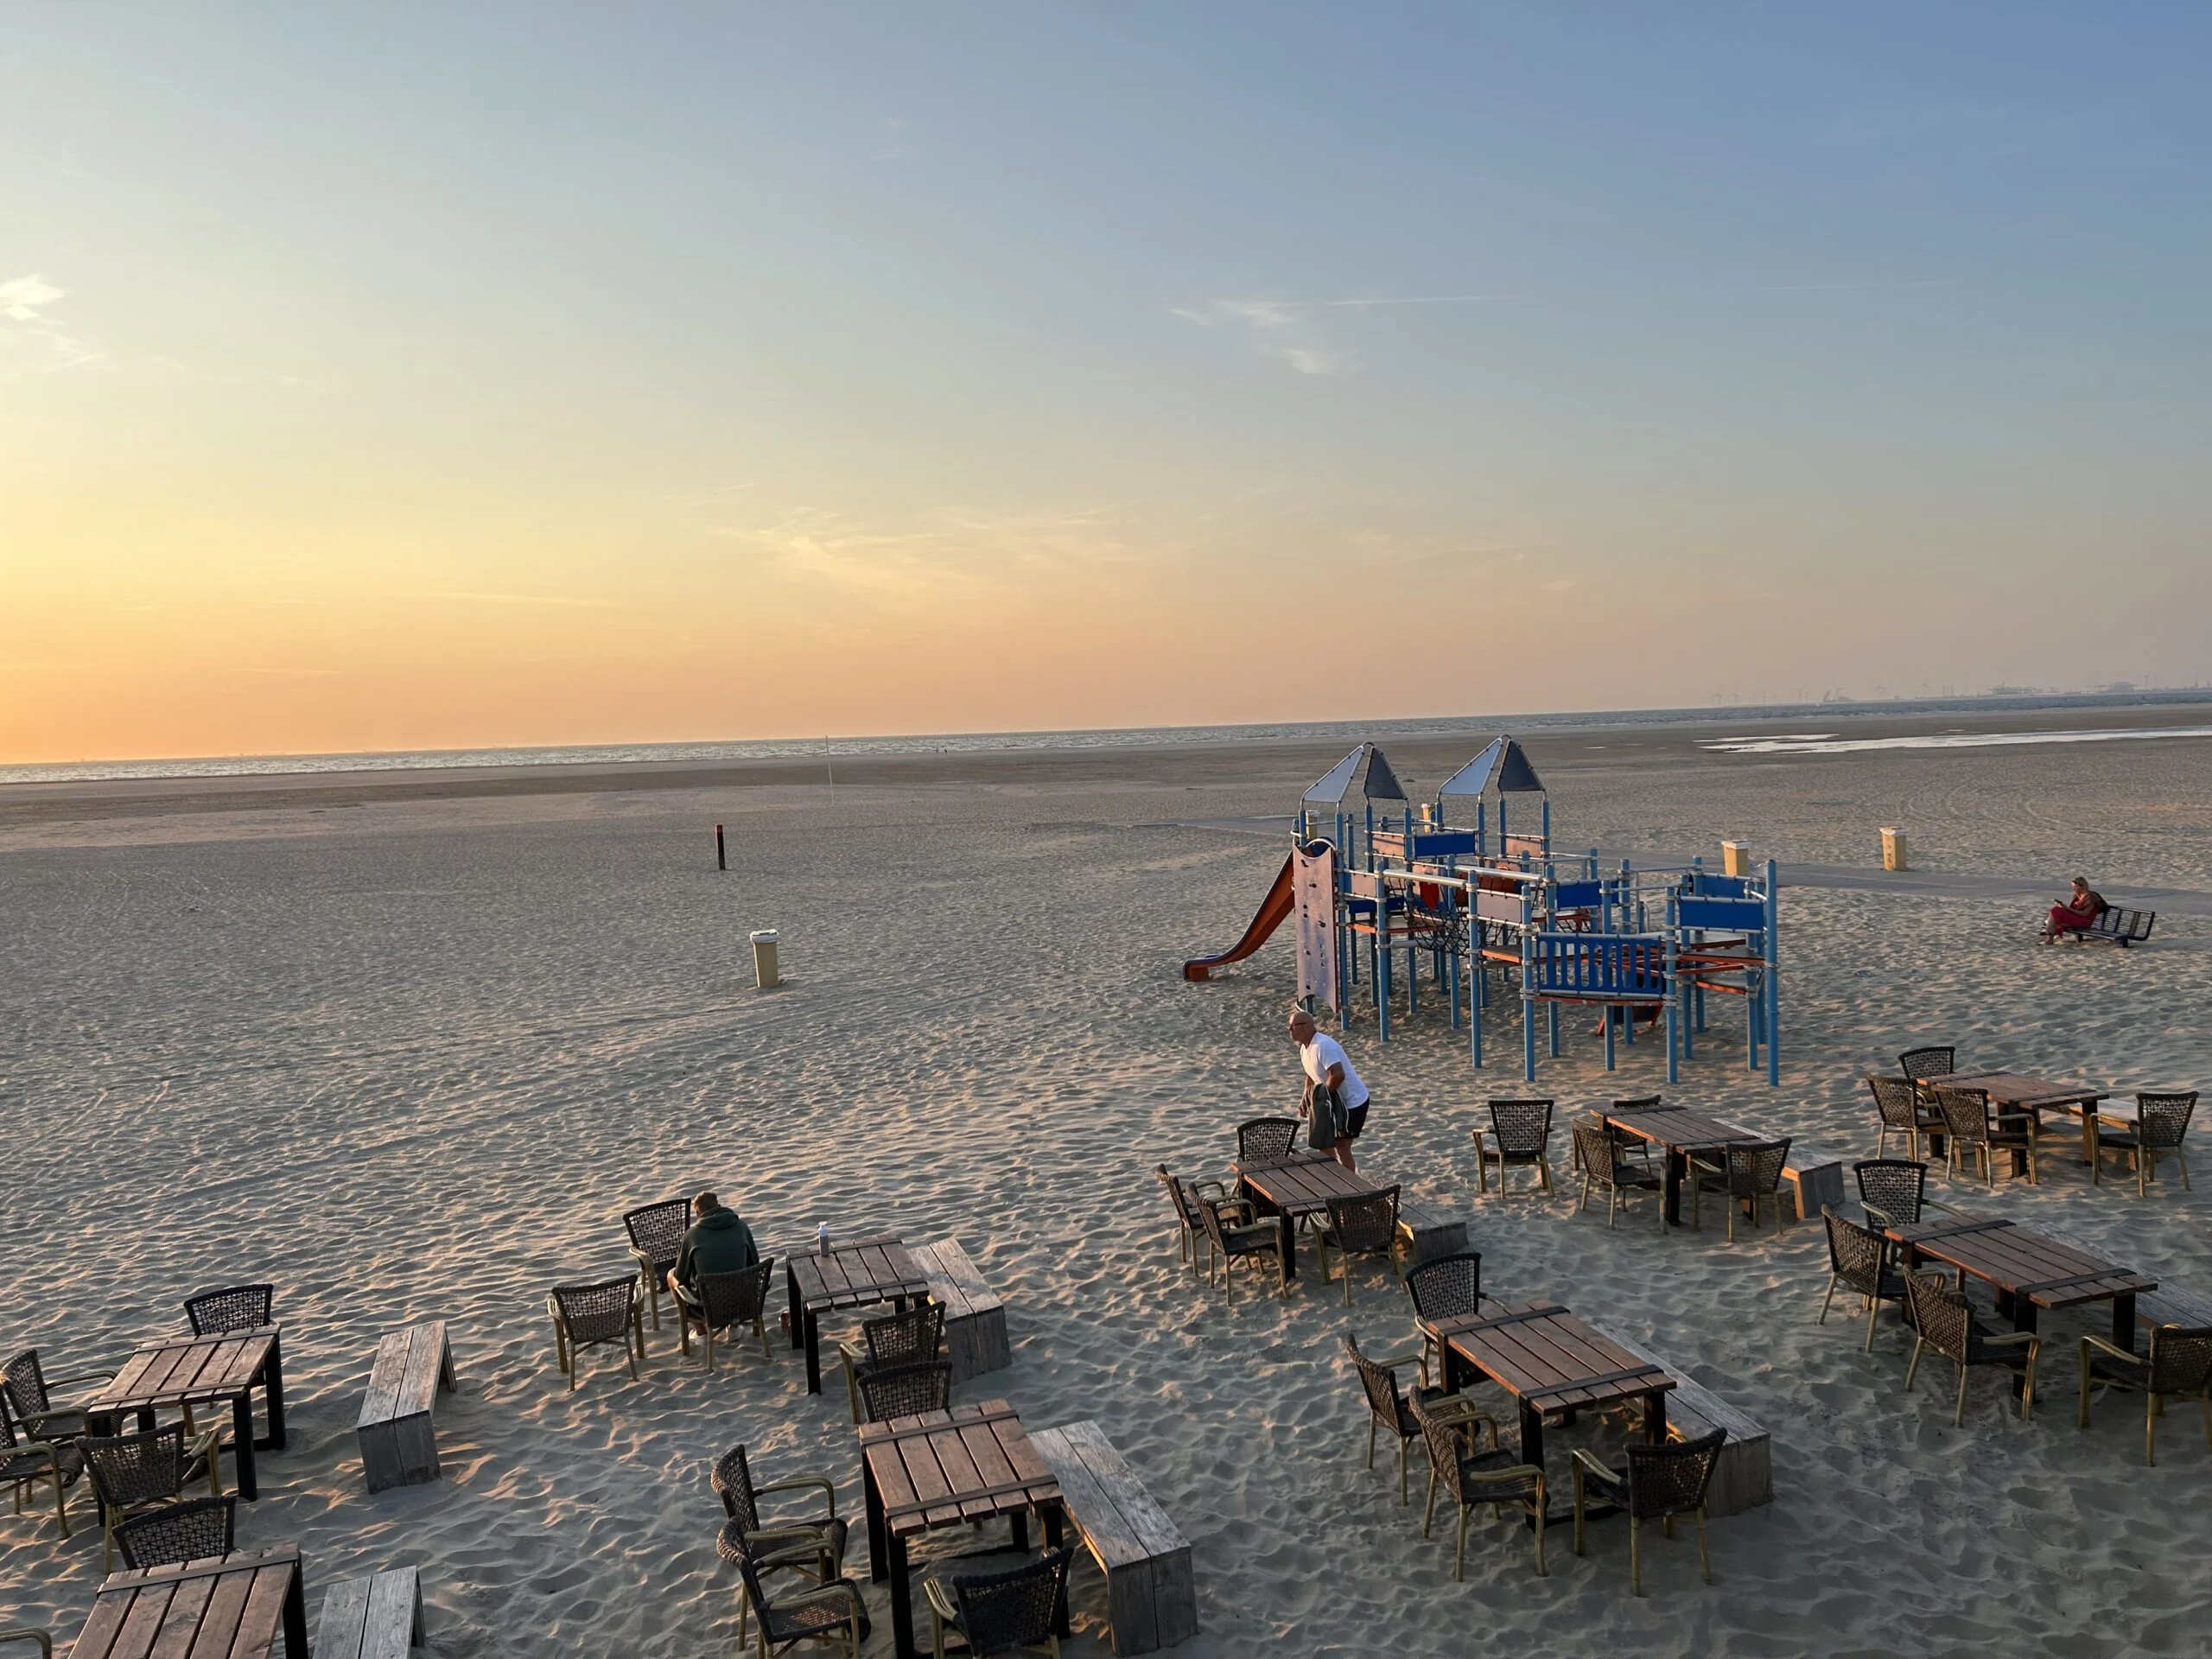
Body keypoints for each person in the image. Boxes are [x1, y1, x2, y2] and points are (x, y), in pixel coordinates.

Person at [1287, 1005, 1370, 1171]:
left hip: (1353, 1102)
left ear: (1307, 1026)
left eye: (1293, 1026)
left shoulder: (1323, 1046)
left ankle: (1349, 1184)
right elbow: (1311, 1074)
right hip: (1333, 1100)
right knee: (1323, 1140)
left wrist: (1323, 1099)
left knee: (1342, 1145)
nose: (1290, 1030)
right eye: (1289, 1027)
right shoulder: (1305, 1048)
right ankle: (1334, 1173)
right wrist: (1306, 1097)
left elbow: (1338, 1075)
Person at [668, 1190, 760, 1295]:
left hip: (708, 1304)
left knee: (671, 1276)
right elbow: (754, 1263)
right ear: (719, 1206)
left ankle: (685, 1312)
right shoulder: (741, 1227)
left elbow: (680, 1276)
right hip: (741, 1298)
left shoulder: (691, 1235)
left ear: (698, 1213)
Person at [2044, 877, 2107, 944]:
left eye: (2076, 887)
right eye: (2073, 887)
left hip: (2084, 921)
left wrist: (2067, 908)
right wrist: (2062, 906)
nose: (2073, 889)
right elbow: (2071, 910)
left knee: (2055, 912)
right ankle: (2049, 937)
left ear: (2082, 886)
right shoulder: (2076, 896)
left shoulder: (2090, 897)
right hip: (2076, 918)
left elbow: (2084, 914)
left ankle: (2049, 938)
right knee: (2056, 910)